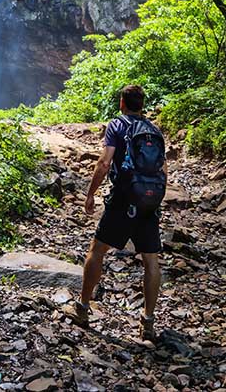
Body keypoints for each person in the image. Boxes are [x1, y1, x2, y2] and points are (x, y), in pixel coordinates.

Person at [72, 84, 164, 341]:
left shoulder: (117, 125)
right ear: (141, 104)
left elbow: (104, 163)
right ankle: (148, 321)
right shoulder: (154, 130)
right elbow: (162, 170)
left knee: (97, 250)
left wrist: (90, 193)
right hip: (149, 202)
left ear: (122, 103)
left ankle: (83, 307)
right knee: (151, 260)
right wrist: (154, 200)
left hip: (123, 200)